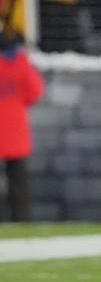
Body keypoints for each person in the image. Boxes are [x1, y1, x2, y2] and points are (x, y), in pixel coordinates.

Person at [0, 24, 44, 221]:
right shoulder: (21, 63)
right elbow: (35, 91)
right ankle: (23, 219)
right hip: (15, 130)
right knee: (18, 182)